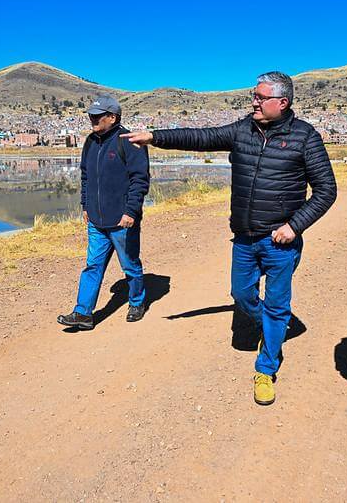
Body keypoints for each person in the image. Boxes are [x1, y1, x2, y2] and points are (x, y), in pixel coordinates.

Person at [123, 72, 336, 405]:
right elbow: (201, 137)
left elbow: (326, 191)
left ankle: (266, 368)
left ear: (282, 102)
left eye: (260, 97)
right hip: (244, 238)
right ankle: (275, 328)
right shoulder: (242, 130)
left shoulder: (305, 137)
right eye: (253, 95)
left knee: (278, 305)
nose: (253, 101)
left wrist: (294, 226)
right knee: (241, 293)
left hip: (281, 241)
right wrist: (155, 136)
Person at [57, 95, 150, 330]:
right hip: (97, 221)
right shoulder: (91, 142)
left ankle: (137, 302)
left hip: (122, 221)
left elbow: (140, 179)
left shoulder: (128, 141)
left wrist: (131, 212)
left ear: (113, 117)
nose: (93, 119)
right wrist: (85, 205)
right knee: (92, 266)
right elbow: (86, 176)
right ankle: (83, 313)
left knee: (129, 265)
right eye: (91, 115)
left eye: (98, 116)